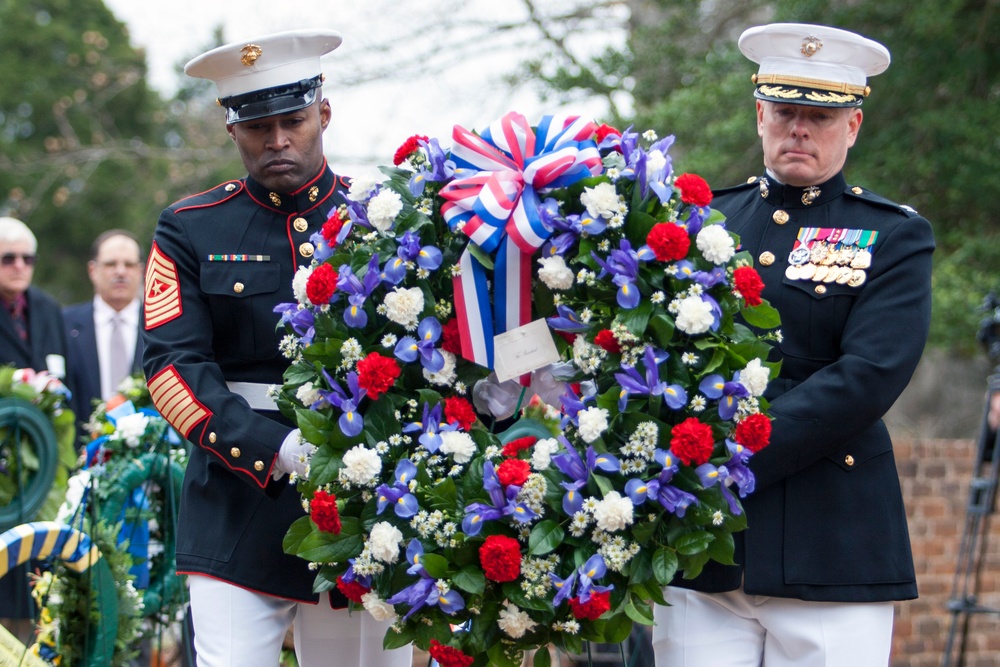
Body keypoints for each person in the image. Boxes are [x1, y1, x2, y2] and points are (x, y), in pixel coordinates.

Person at [652, 23, 935, 665]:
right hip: (706, 548)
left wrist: (732, 453)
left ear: (852, 127)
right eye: (785, 112)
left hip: (831, 544)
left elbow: (869, 374)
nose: (799, 129)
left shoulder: (893, 236)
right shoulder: (701, 224)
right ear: (760, 115)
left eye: (820, 116)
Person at [141, 30, 411, 667]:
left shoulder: (380, 218)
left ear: (324, 111)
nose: (278, 140)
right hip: (238, 496)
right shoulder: (190, 227)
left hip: (360, 503)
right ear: (231, 130)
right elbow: (172, 370)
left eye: (293, 120)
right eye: (259, 126)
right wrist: (276, 448)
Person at [0, 216, 69, 632]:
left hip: (44, 471)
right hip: (4, 477)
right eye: (9, 258)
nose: (20, 266)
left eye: (29, 258)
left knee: (36, 592)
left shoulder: (46, 308)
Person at [64, 229, 144, 434]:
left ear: (141, 271)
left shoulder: (161, 326)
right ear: (93, 270)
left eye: (129, 264)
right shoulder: (64, 324)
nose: (120, 272)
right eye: (110, 264)